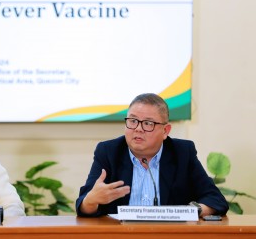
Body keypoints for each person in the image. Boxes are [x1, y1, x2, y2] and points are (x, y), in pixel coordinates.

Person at [76, 93, 228, 217]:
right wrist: (91, 200)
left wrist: (191, 212)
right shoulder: (109, 151)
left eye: (148, 123)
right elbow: (83, 205)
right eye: (133, 121)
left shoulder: (182, 152)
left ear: (165, 131)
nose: (138, 129)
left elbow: (216, 200)